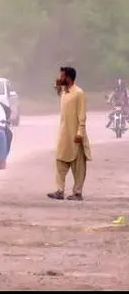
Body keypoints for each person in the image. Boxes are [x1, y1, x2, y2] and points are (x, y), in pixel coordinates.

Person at [49, 66, 92, 201]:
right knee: (60, 161)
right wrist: (57, 84)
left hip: (76, 135)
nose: (60, 78)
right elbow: (57, 90)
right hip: (63, 134)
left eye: (62, 76)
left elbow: (82, 116)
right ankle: (60, 190)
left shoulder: (78, 93)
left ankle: (77, 193)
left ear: (68, 77)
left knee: (78, 165)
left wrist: (80, 132)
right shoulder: (64, 91)